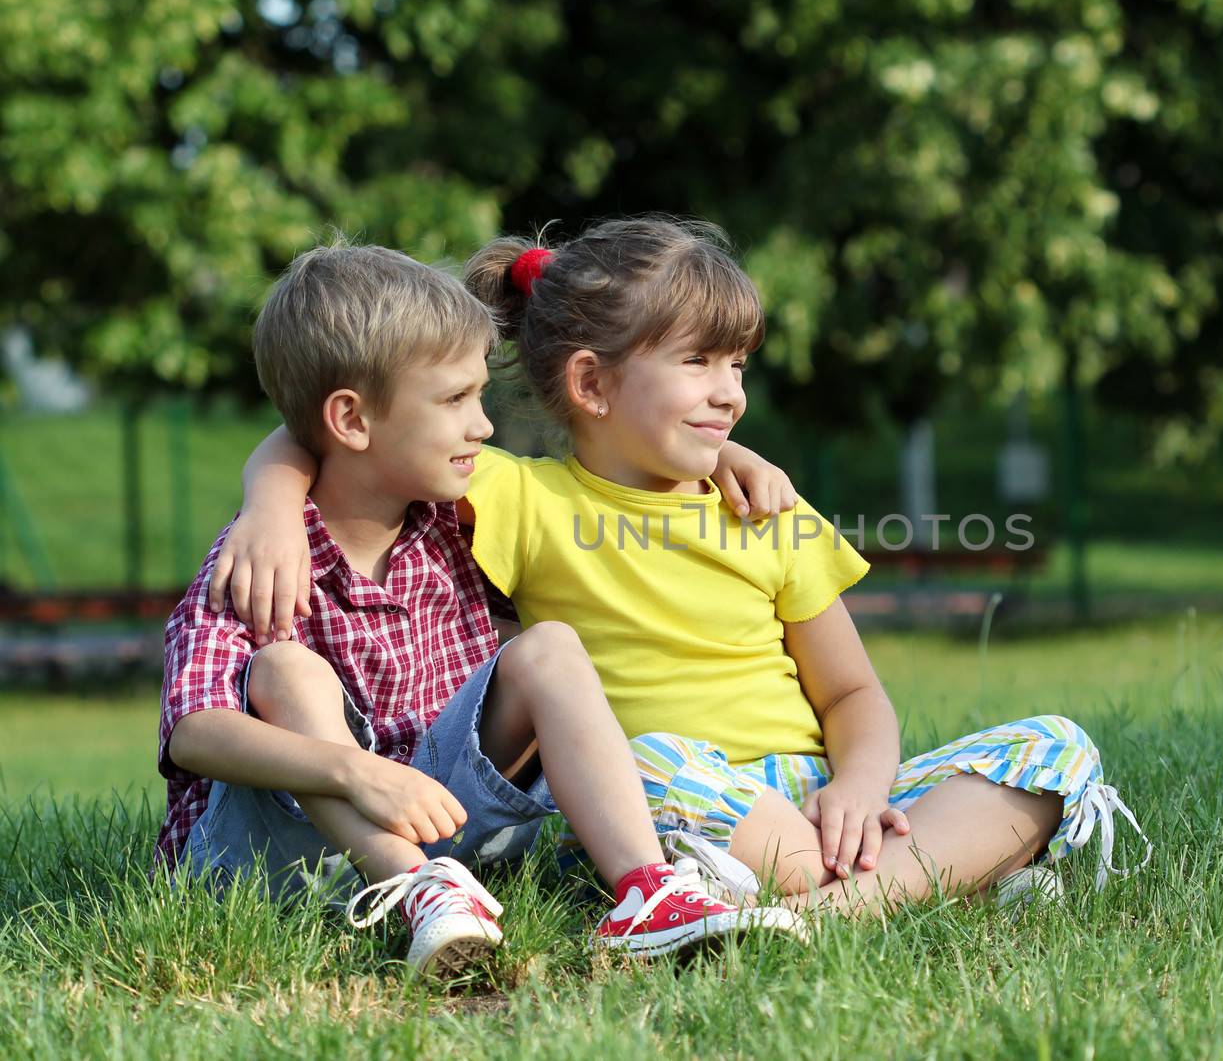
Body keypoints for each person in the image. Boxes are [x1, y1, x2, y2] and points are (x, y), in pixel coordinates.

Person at [230, 219, 1150, 913]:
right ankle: (931, 880)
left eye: (739, 362)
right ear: (590, 386)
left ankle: (842, 904)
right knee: (652, 760)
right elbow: (349, 423)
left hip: (811, 798)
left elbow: (855, 698)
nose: (731, 392)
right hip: (663, 801)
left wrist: (860, 792)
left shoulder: (769, 512)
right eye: (700, 360)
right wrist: (271, 501)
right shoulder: (519, 496)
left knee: (1056, 746)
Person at [159, 239, 805, 977]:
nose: (484, 425)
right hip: (279, 849)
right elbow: (194, 732)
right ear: (352, 421)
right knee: (285, 669)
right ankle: (409, 889)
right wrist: (351, 772)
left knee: (549, 646)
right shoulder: (259, 555)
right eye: (454, 401)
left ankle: (648, 890)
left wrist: (725, 455)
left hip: (442, 819)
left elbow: (622, 457)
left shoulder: (455, 520)